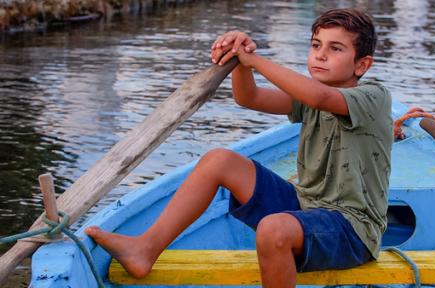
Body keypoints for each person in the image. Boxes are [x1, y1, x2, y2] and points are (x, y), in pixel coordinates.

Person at [85, 8, 393, 288]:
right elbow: (250, 98)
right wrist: (241, 57)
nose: (320, 55)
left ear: (362, 65)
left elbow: (321, 99)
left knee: (274, 230)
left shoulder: (373, 96)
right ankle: (145, 248)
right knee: (219, 160)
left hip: (352, 229)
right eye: (316, 45)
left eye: (335, 48)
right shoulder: (311, 96)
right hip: (306, 205)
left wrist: (256, 61)